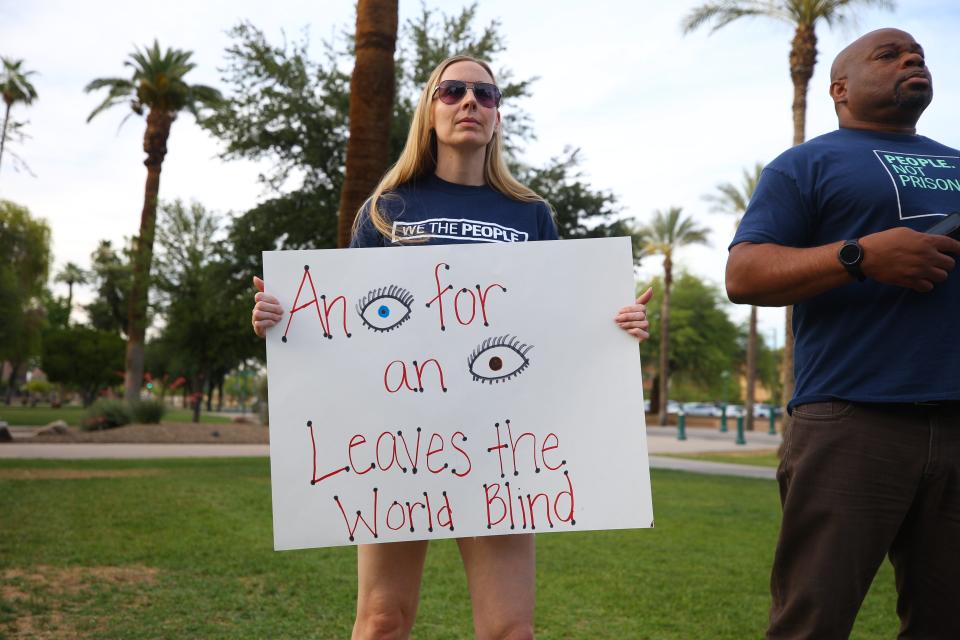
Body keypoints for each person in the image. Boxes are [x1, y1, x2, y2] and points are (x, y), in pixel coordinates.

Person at [251, 55, 652, 640]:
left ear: (496, 117)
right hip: (397, 445)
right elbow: (347, 327)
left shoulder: (531, 215)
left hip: (505, 448)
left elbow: (557, 326)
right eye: (454, 90)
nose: (470, 102)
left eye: (486, 95)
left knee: (509, 629)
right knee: (383, 620)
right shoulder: (385, 212)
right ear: (430, 109)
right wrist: (281, 320)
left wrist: (616, 325)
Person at [727, 28, 960, 639]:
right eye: (889, 54)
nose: (912, 58)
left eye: (919, 55)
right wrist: (859, 257)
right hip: (853, 422)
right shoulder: (806, 163)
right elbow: (744, 274)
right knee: (814, 622)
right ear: (839, 89)